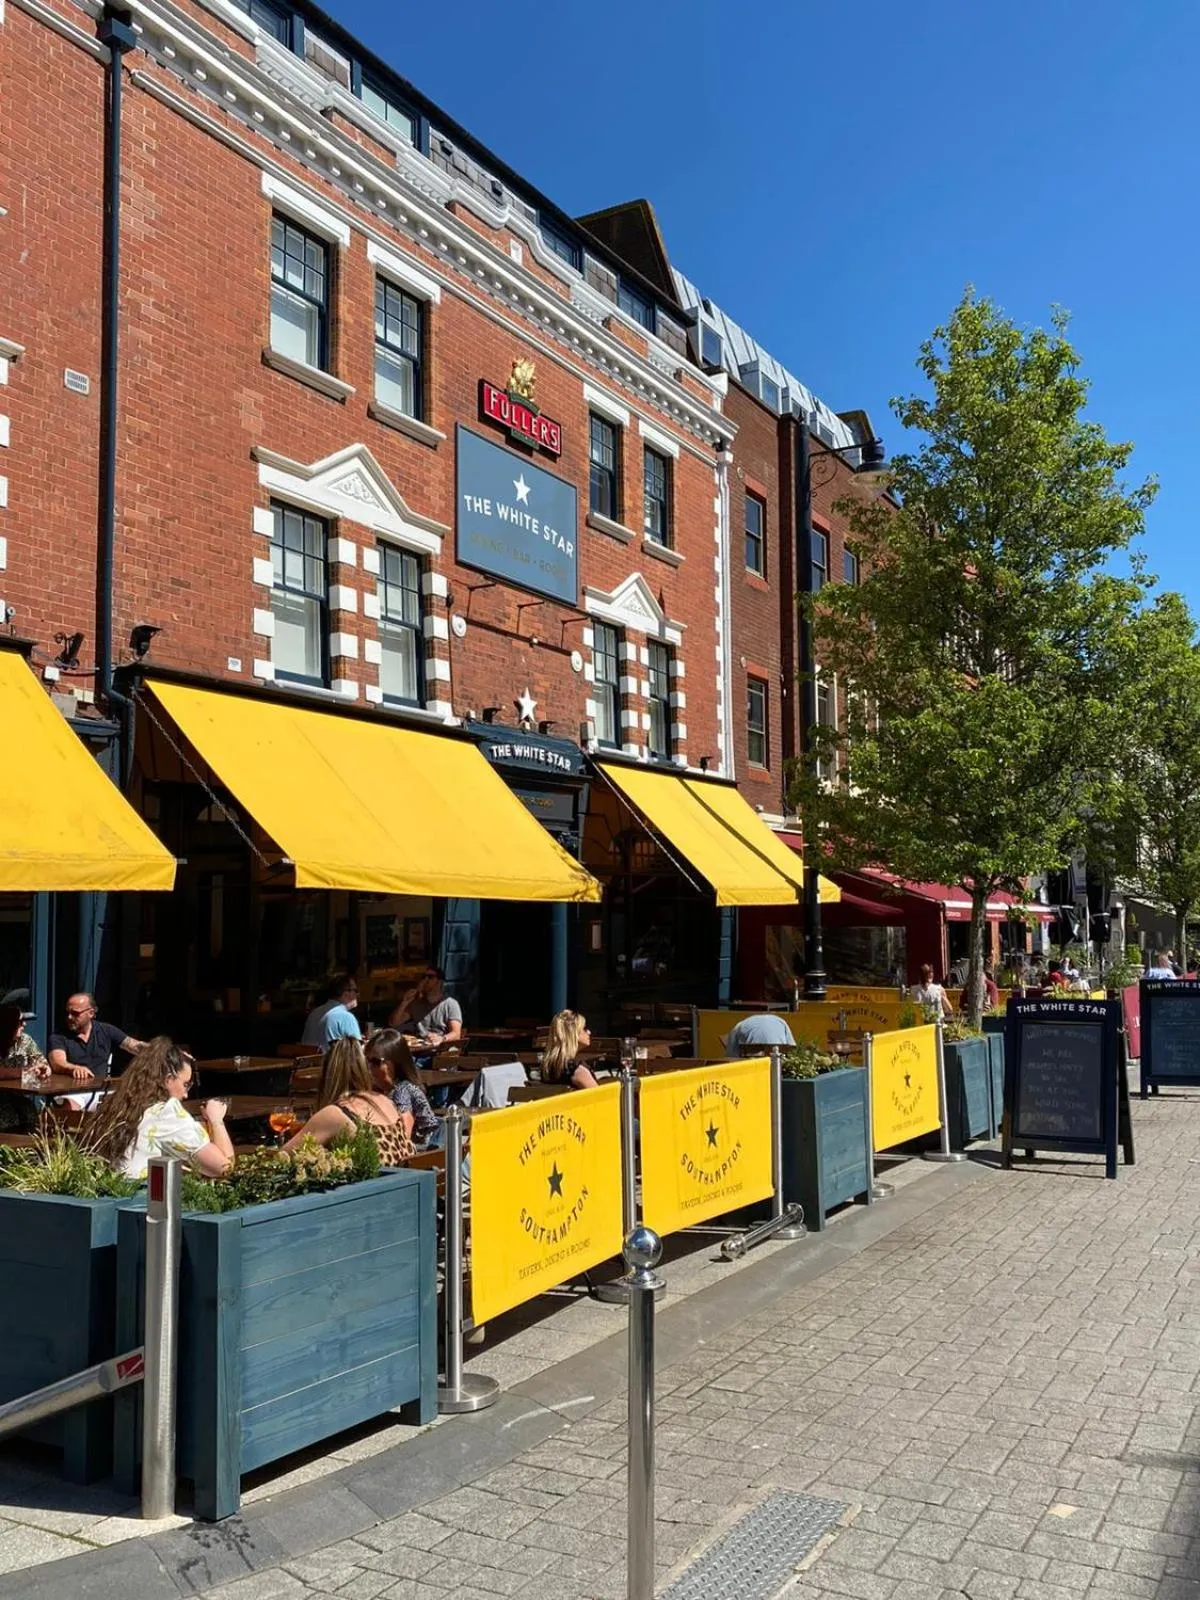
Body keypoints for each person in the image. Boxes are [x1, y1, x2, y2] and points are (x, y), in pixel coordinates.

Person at [86, 1036, 233, 1180]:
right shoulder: (167, 1113)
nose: (186, 1094)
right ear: (168, 1079)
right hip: (140, 1194)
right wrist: (216, 1120)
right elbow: (224, 1168)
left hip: (109, 1188)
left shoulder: (118, 1102)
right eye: (186, 1084)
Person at [281, 1037, 412, 1163]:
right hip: (407, 1177)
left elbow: (282, 1159)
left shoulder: (335, 1114)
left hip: (375, 1179)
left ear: (327, 1075)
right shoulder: (386, 1101)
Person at [365, 1028, 439, 1147]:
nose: (369, 1067)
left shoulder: (402, 1090)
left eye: (375, 1062)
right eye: (367, 1060)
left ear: (393, 1063)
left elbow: (404, 1136)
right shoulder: (384, 1090)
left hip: (420, 1152)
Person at [47, 993, 142, 1084]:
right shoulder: (59, 1036)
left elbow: (134, 1046)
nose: (69, 1017)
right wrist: (74, 1068)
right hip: (72, 1090)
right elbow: (57, 1063)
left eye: (75, 1013)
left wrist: (151, 1051)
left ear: (91, 1013)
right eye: (67, 1012)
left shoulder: (106, 1030)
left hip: (100, 1088)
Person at [0, 1003, 50, 1134]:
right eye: (20, 1022)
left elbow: (42, 1061)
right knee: (8, 1117)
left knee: (30, 1111)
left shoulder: (25, 1040)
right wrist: (23, 1072)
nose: (25, 1024)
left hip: (17, 1097)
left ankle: (28, 1145)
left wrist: (43, 1070)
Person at [388, 969, 463, 1053]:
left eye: (430, 977)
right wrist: (405, 1002)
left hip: (440, 1052)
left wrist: (442, 1039)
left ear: (440, 982)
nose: (425, 980)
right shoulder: (416, 1004)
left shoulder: (450, 1004)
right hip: (418, 1051)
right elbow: (394, 1023)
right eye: (423, 977)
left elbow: (456, 1034)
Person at [542, 1010, 600, 1089]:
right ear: (572, 1033)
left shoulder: (547, 1068)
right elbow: (599, 1095)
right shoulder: (578, 1072)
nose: (589, 1032)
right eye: (584, 1028)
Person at [300, 974, 361, 1049]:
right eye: (355, 990)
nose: (358, 994)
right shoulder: (346, 1017)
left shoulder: (314, 1013)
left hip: (311, 1056)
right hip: (331, 1056)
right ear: (345, 993)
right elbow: (356, 1051)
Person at [722, 1011, 796, 1057]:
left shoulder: (740, 1025)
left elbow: (731, 1056)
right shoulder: (781, 1022)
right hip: (777, 1063)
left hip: (751, 1064)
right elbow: (792, 1048)